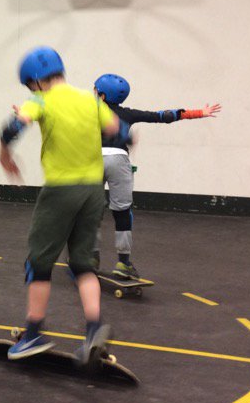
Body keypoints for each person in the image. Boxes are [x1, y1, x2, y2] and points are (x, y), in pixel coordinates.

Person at [0, 46, 121, 363]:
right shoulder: (90, 100)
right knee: (81, 263)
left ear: (35, 81)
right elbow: (113, 129)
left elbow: (13, 128)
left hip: (61, 191)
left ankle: (34, 332)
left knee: (38, 262)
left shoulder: (39, 100)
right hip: (93, 190)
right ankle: (93, 329)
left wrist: (5, 154)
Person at [92, 73, 221, 278]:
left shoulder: (87, 112)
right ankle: (123, 263)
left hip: (93, 161)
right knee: (122, 211)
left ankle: (90, 256)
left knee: (90, 211)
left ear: (103, 96)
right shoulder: (128, 113)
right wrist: (198, 112)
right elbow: (162, 116)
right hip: (119, 160)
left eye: (96, 90)